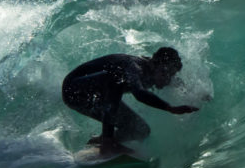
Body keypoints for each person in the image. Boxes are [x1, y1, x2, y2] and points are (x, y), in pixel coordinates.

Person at [62, 47, 199, 155]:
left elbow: (176, 83)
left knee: (141, 130)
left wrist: (197, 94)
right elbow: (139, 94)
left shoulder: (155, 71)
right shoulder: (135, 67)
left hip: (96, 95)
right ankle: (107, 143)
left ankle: (98, 142)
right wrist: (169, 108)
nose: (168, 78)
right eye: (166, 72)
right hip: (74, 90)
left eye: (171, 74)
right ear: (154, 64)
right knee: (115, 79)